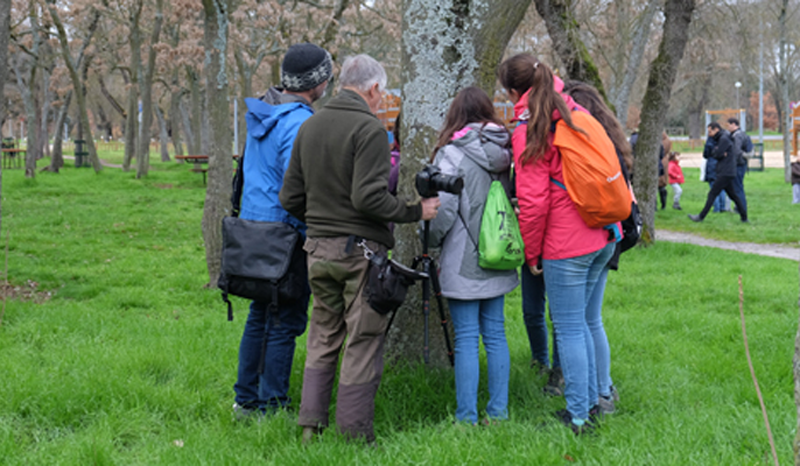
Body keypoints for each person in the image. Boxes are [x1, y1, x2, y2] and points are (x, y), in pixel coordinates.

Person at [279, 54, 440, 443]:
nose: (383, 100)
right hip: (358, 255)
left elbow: (289, 198)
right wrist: (417, 209)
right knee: (363, 341)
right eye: (382, 93)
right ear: (373, 89)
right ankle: (353, 437)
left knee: (322, 337)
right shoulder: (369, 130)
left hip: (317, 252)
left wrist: (322, 220)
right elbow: (369, 199)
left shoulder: (310, 126)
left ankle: (309, 429)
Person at [498, 54, 618, 435]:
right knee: (589, 320)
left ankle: (579, 416)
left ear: (515, 91)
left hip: (568, 242)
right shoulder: (574, 109)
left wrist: (532, 254)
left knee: (567, 328)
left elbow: (533, 203)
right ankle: (604, 396)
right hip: (604, 232)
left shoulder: (530, 127)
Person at [232, 43, 333, 419]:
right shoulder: (299, 124)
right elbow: (298, 188)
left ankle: (245, 400)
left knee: (260, 315)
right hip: (286, 234)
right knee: (285, 320)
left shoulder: (263, 115)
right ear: (317, 82)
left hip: (253, 229)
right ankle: (272, 405)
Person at [426, 86, 518, 425]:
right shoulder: (506, 150)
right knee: (495, 334)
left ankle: (466, 416)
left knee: (465, 338)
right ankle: (499, 412)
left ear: (455, 115)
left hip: (463, 256)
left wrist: (431, 241)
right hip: (500, 250)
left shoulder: (451, 154)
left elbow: (444, 211)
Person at [688, 122, 748, 223]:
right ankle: (744, 217)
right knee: (733, 195)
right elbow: (718, 153)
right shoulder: (724, 137)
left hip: (725, 171)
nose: (709, 134)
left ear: (716, 129)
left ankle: (701, 217)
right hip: (728, 171)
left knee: (712, 194)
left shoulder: (723, 139)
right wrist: (717, 152)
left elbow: (717, 154)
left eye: (710, 131)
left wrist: (717, 152)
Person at [727, 118, 750, 214]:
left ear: (733, 124)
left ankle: (741, 208)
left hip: (738, 165)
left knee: (737, 188)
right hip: (742, 163)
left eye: (728, 125)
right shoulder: (743, 134)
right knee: (738, 187)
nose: (727, 128)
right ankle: (739, 207)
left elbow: (736, 151)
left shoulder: (737, 136)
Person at [703, 132, 729, 213]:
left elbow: (706, 154)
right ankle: (722, 206)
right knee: (721, 188)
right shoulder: (724, 140)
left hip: (712, 165)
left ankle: (716, 208)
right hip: (722, 166)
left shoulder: (710, 142)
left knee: (713, 188)